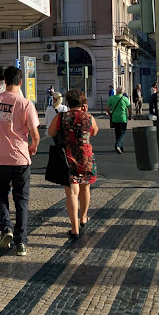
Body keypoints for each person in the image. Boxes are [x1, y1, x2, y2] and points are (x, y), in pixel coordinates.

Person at [0, 66, 40, 257]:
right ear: (20, 82)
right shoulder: (25, 103)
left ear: (4, 81)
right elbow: (35, 134)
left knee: (0, 196)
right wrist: (33, 146)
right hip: (21, 158)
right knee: (21, 200)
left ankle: (6, 228)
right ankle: (21, 242)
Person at [48, 89, 98, 239]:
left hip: (67, 156)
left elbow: (51, 132)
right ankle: (83, 217)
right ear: (82, 103)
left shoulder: (61, 117)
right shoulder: (88, 117)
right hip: (85, 156)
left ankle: (74, 227)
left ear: (68, 102)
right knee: (85, 187)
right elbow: (94, 132)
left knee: (71, 191)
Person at [107, 86, 131, 154]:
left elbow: (107, 107)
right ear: (122, 92)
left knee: (117, 132)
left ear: (116, 91)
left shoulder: (111, 98)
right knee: (122, 133)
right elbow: (129, 108)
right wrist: (130, 116)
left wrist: (110, 114)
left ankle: (121, 147)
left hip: (115, 118)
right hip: (123, 118)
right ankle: (118, 145)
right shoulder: (125, 99)